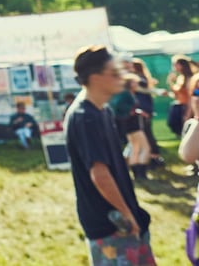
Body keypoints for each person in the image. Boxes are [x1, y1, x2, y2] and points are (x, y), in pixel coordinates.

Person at [64, 46, 154, 265]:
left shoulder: (102, 110)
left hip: (124, 220)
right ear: (95, 78)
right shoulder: (85, 117)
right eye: (114, 73)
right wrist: (126, 214)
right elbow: (99, 174)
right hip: (111, 225)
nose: (120, 78)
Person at [169, 57, 198, 137]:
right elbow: (177, 94)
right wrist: (170, 82)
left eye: (175, 64)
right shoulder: (180, 77)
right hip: (180, 106)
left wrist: (188, 112)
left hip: (187, 107)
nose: (174, 67)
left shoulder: (190, 78)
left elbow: (191, 97)